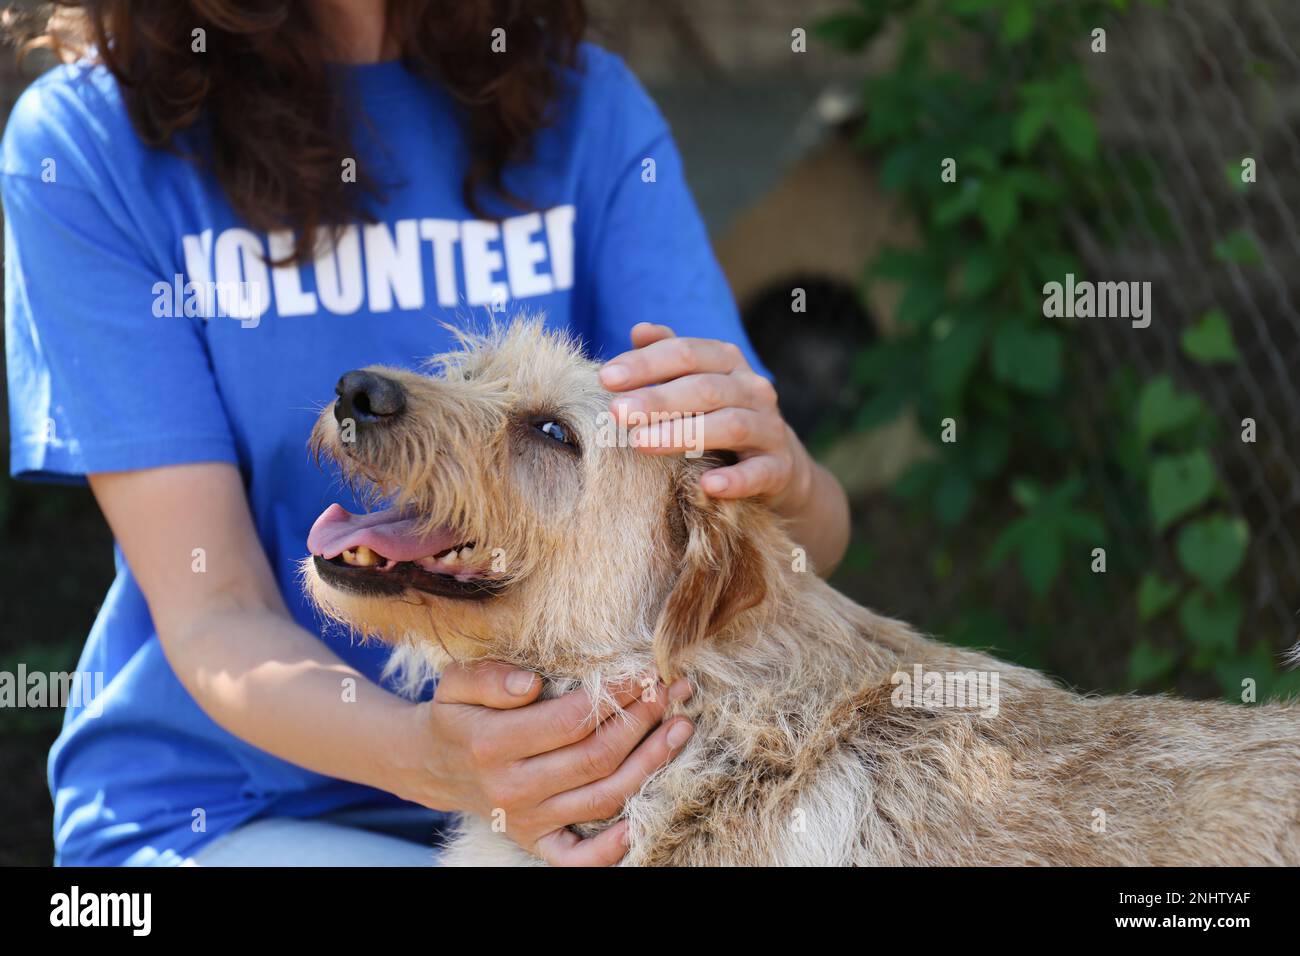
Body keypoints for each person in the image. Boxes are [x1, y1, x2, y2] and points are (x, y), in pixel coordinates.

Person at [2, 0, 850, 866]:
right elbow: (215, 607)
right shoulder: (91, 140)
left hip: (595, 802)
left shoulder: (584, 105)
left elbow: (770, 549)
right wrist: (436, 763)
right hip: (233, 814)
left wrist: (789, 481)